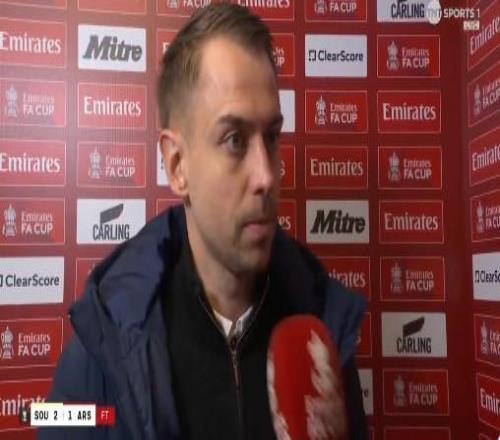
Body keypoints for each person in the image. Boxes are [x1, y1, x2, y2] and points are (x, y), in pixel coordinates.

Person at [39, 3, 367, 439]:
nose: (266, 176)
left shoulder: (321, 337)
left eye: (271, 137)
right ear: (178, 165)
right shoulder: (102, 348)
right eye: (234, 140)